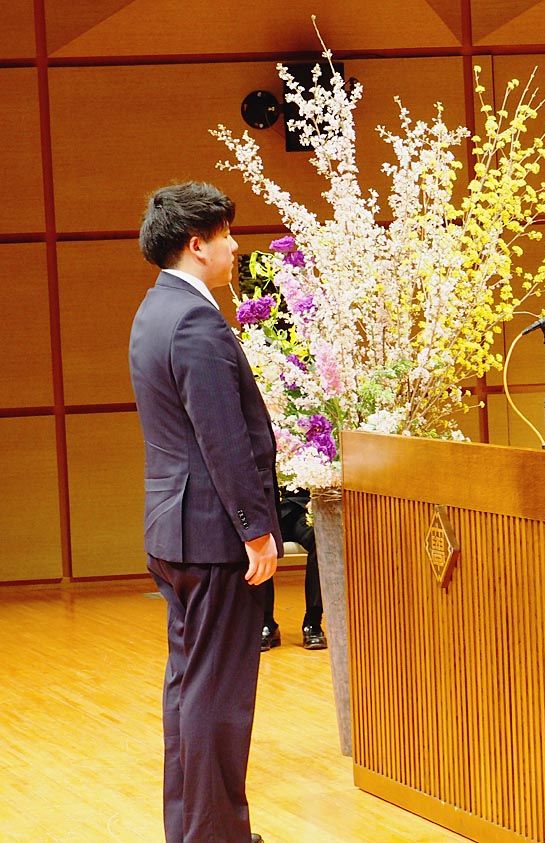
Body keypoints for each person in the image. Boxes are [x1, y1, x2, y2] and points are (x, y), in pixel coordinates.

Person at [130, 181, 280, 843]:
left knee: (190, 690)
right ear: (197, 244)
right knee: (217, 695)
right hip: (214, 537)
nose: (234, 246)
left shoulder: (153, 310)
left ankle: (198, 831)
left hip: (175, 529)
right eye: (226, 235)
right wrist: (257, 530)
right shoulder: (194, 320)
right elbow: (222, 436)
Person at [260, 488, 326, 651]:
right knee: (257, 542)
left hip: (303, 509)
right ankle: (265, 623)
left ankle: (313, 622)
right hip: (267, 511)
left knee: (321, 539)